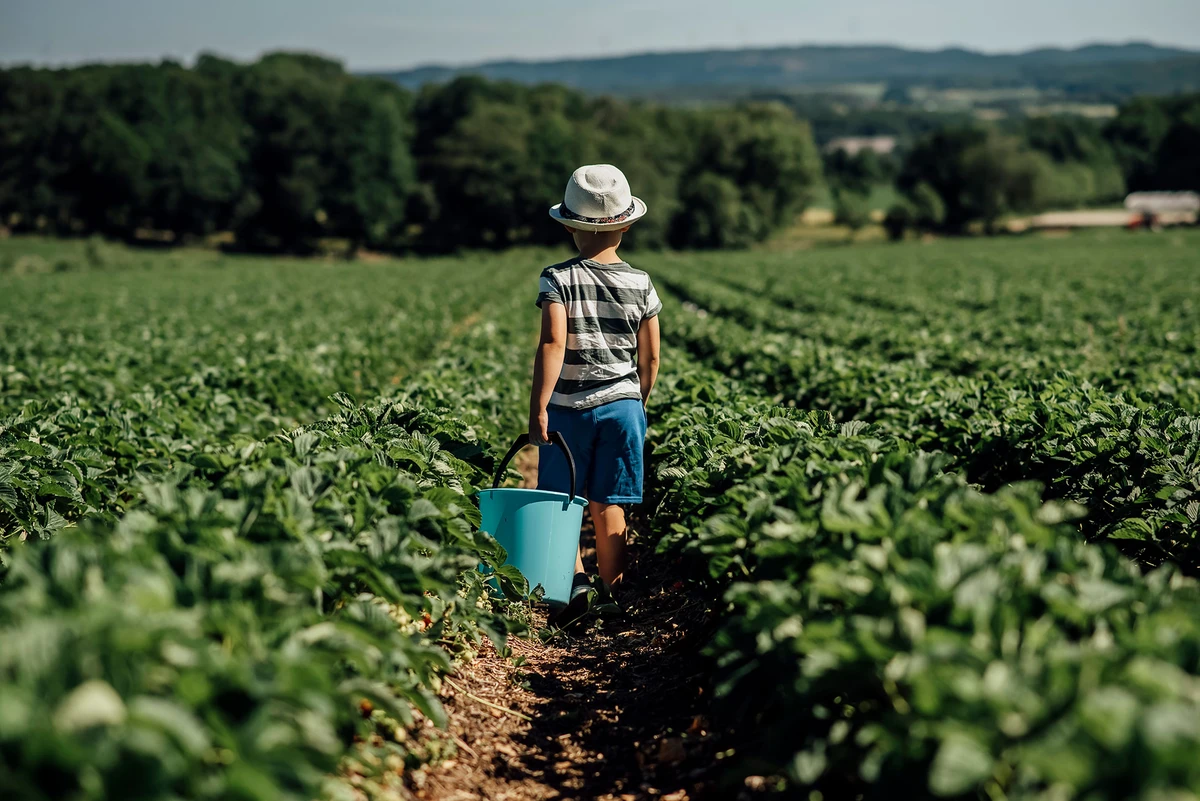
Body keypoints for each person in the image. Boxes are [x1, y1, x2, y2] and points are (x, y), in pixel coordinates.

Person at [529, 164, 661, 626]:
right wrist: (635, 402)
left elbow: (553, 344)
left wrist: (539, 407)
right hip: (623, 408)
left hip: (567, 410)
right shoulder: (642, 283)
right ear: (626, 224)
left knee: (564, 503)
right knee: (611, 505)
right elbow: (651, 359)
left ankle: (574, 591)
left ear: (568, 225)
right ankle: (614, 598)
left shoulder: (557, 279)